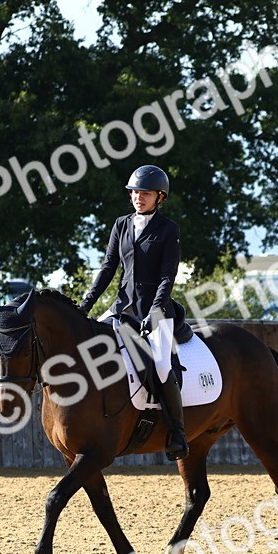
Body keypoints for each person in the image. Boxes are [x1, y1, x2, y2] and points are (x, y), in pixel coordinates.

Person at [80, 165, 189, 460]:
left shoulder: (168, 230)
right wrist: (85, 305)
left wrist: (155, 309)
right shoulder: (121, 224)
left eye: (146, 193)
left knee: (163, 366)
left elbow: (168, 276)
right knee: (87, 345)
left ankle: (177, 432)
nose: (139, 197)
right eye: (135, 192)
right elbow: (108, 267)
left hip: (157, 311)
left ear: (160, 197)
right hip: (122, 308)